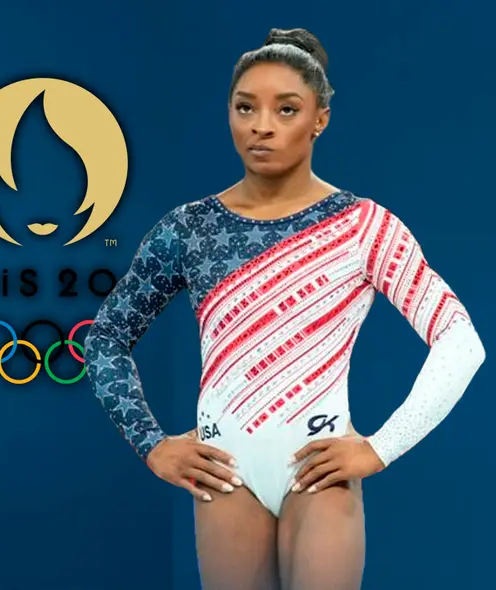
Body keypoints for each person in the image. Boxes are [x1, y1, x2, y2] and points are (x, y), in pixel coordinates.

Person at [84, 28, 485, 590]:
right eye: (245, 107)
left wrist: (381, 448)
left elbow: (461, 342)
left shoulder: (362, 227)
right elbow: (104, 338)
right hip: (228, 472)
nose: (262, 125)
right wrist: (151, 444)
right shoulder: (188, 229)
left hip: (316, 473)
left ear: (320, 118)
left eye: (286, 109)